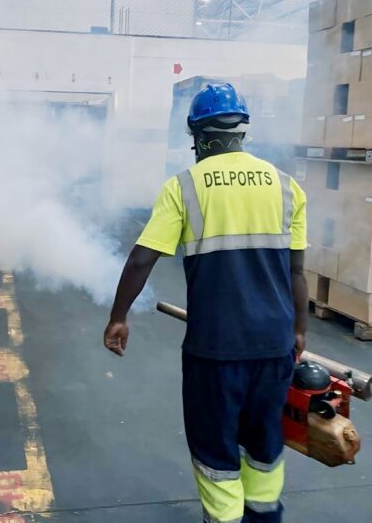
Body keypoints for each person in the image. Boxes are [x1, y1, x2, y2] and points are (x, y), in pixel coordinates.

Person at [103, 82, 308, 523]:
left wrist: (118, 317)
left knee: (216, 452)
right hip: (274, 346)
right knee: (264, 447)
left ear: (198, 136)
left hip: (216, 349)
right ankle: (265, 516)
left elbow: (142, 259)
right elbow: (296, 272)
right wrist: (299, 330)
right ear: (243, 131)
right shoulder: (287, 186)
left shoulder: (185, 187)